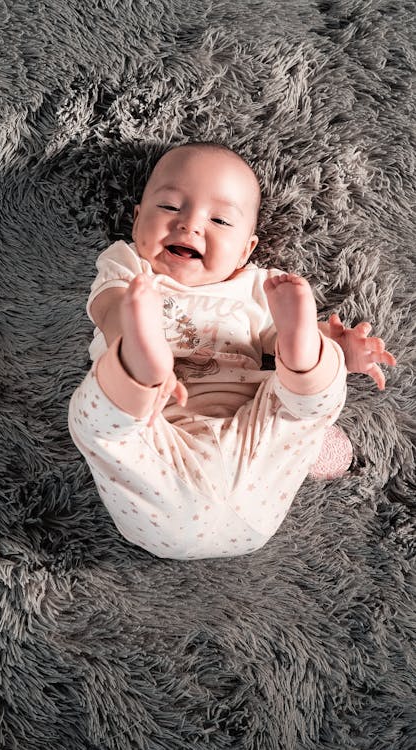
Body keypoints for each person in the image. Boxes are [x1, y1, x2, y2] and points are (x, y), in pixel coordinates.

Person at [68, 142, 396, 560]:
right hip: (162, 447)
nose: (190, 226)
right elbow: (108, 306)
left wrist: (327, 345)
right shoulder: (132, 267)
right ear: (136, 221)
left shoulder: (260, 288)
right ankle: (137, 363)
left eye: (220, 219)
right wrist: (127, 329)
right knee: (101, 422)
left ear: (246, 250)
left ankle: (311, 355)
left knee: (304, 401)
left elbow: (272, 342)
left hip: (252, 445)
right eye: (169, 207)